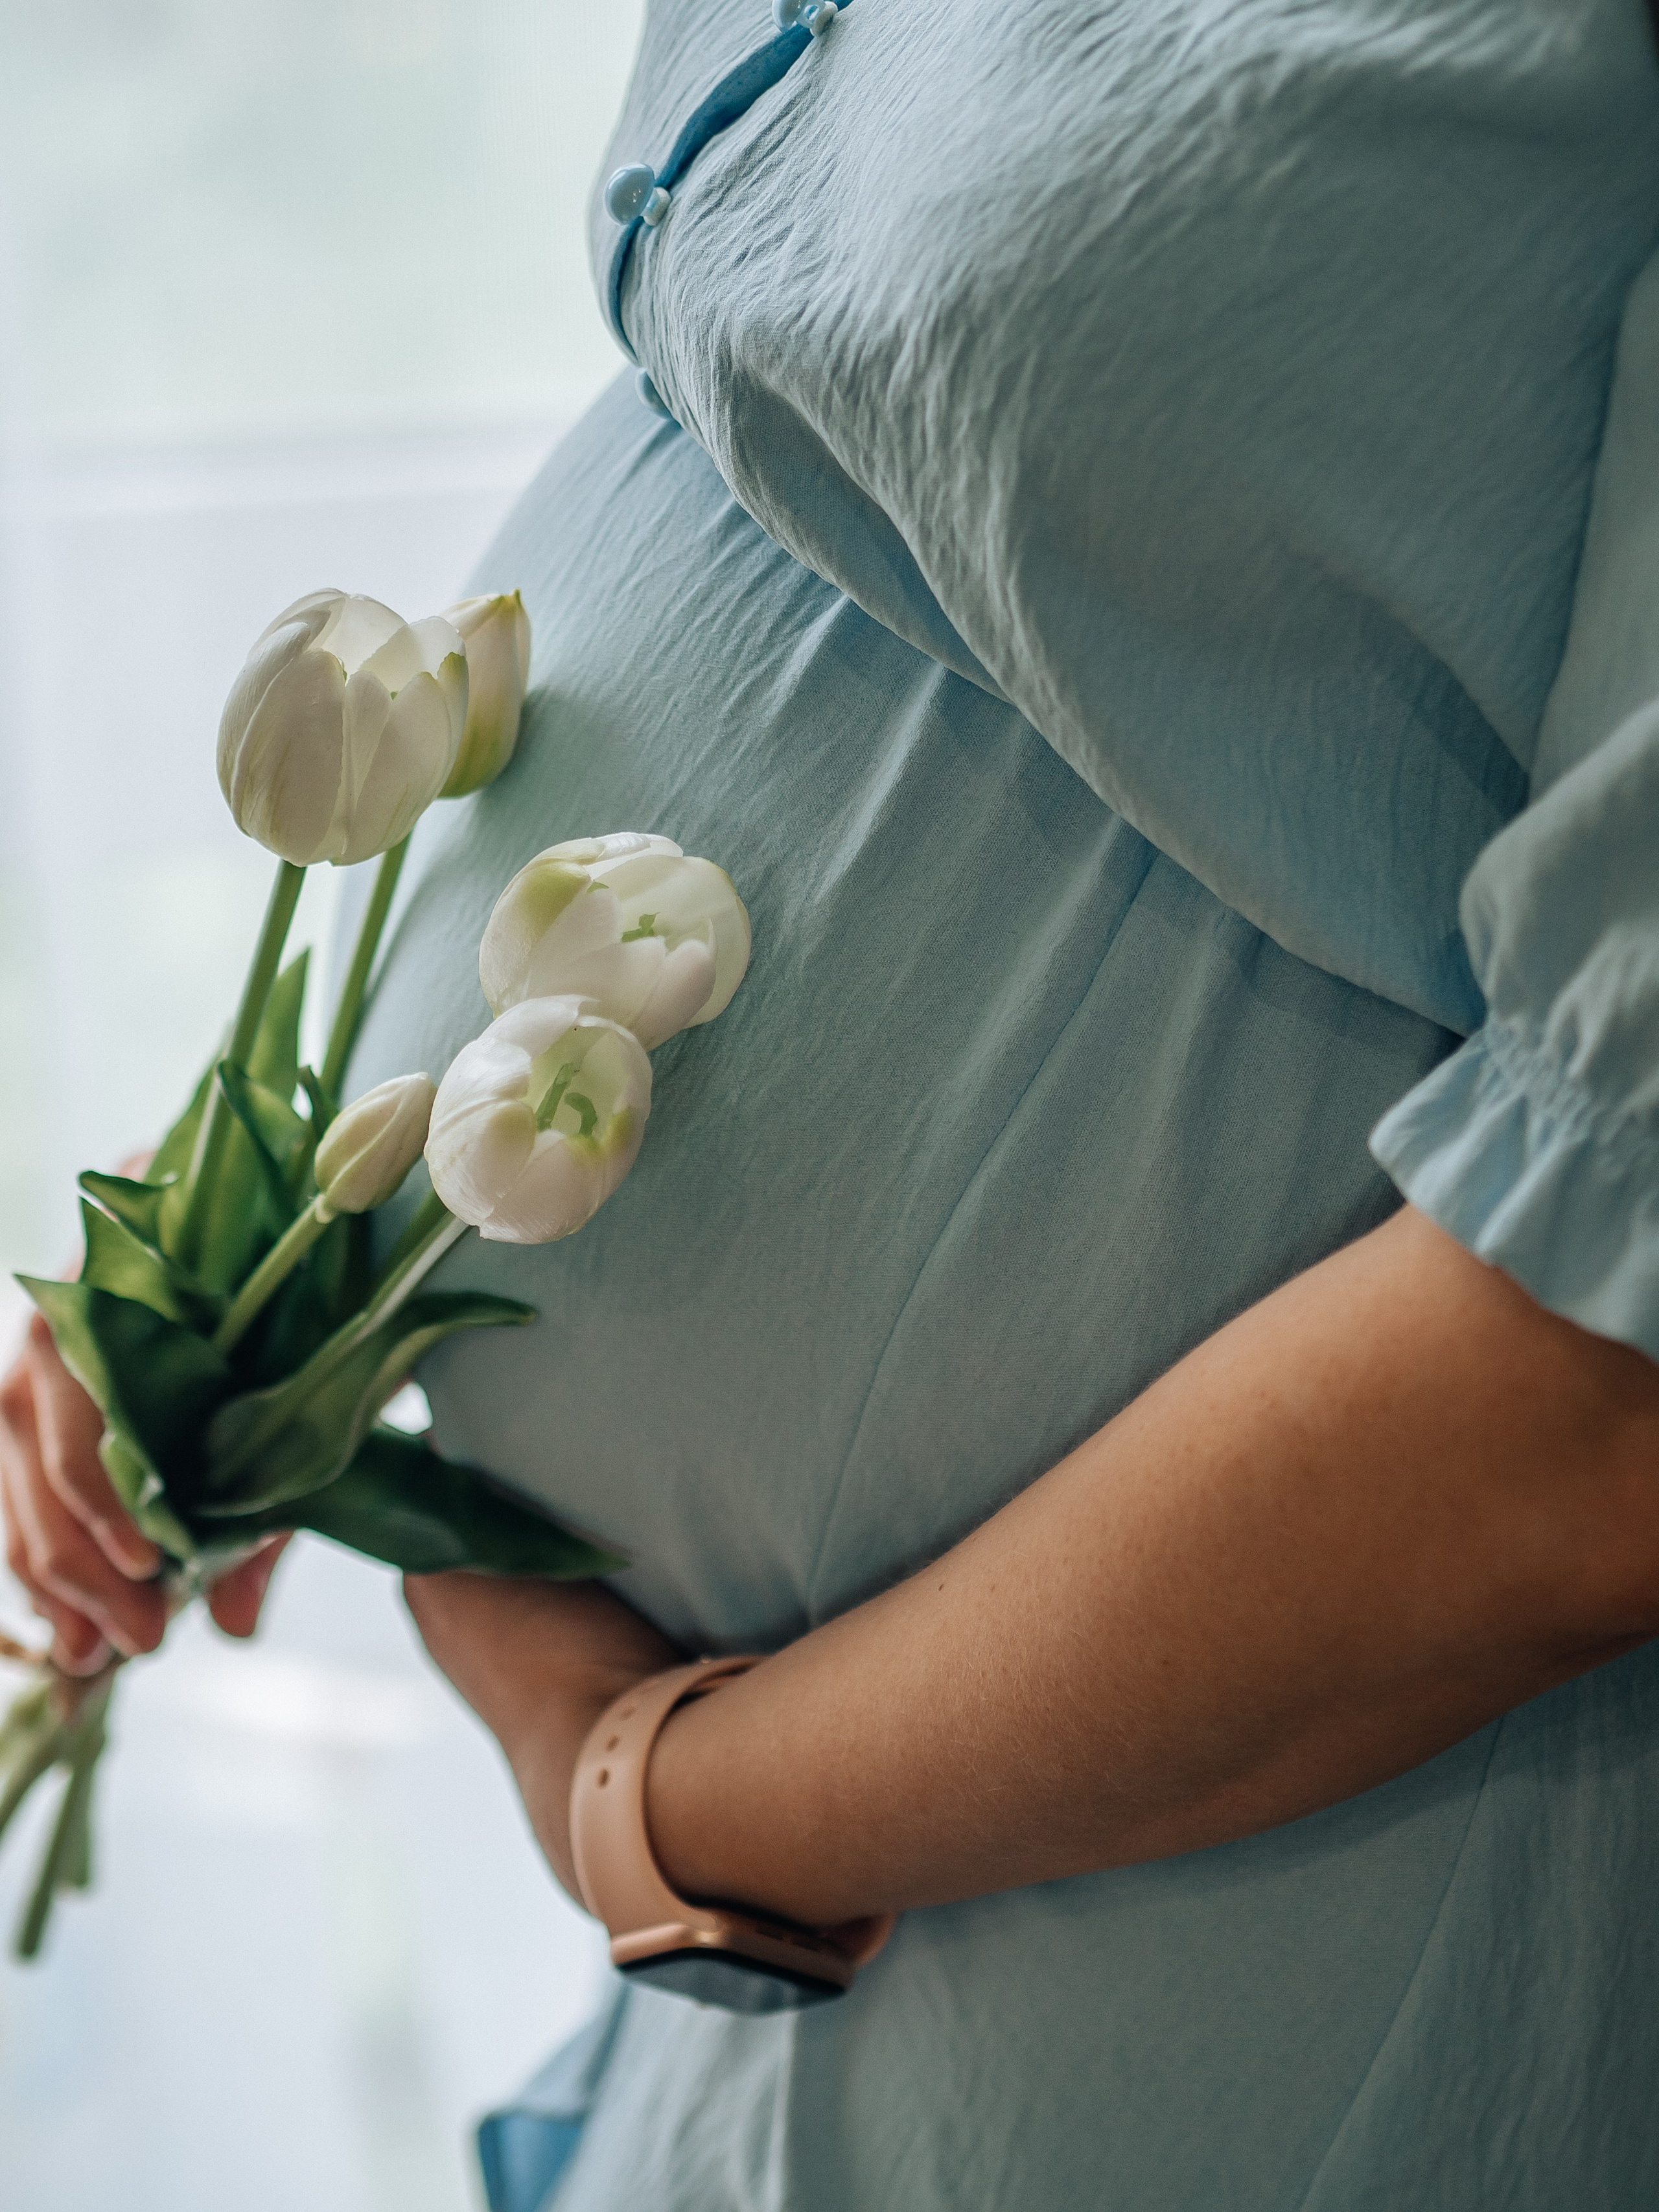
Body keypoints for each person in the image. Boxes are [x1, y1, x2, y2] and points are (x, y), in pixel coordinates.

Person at [7, 0, 1659, 2204]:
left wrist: (653, 1808)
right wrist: (273, 1258)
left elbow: (1603, 1395)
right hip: (811, 1941)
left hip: (1229, 1956)